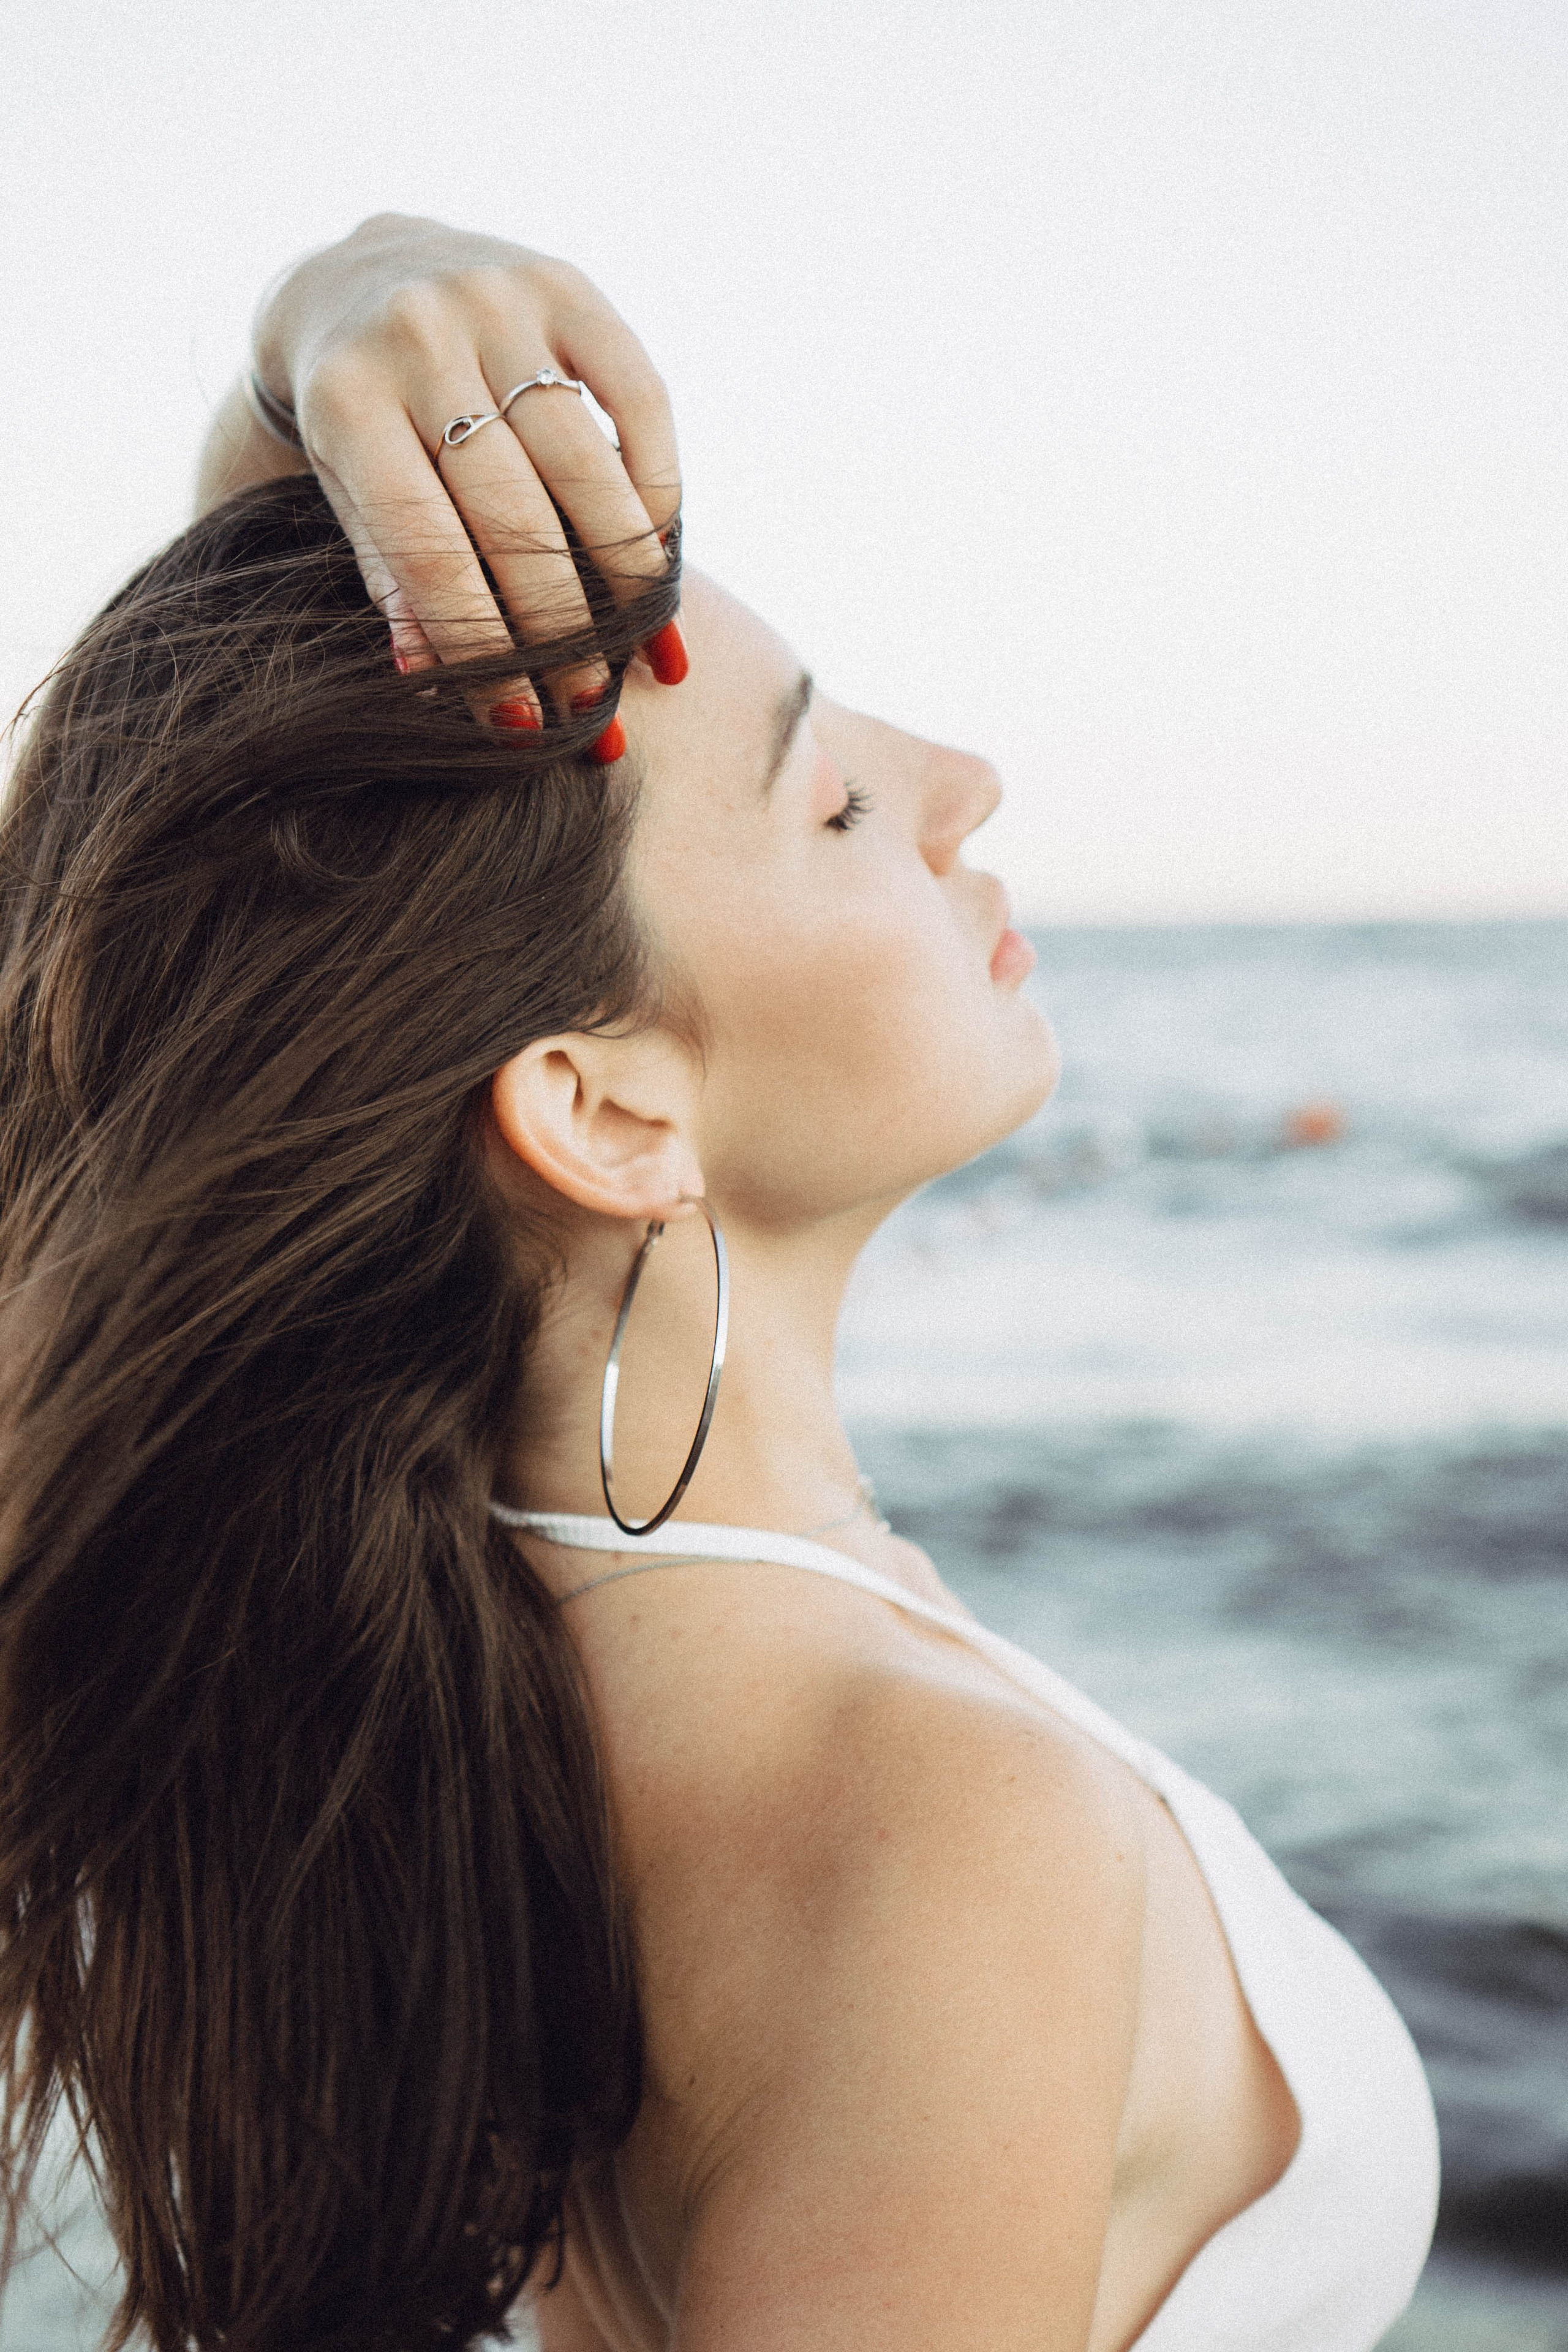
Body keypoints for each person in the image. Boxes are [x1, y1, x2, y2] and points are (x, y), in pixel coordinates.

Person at [0, 216, 1438, 2352]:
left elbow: (242, 891)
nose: (961, 786)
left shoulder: (471, 1666)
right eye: (839, 797)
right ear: (604, 1113)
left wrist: (325, 341)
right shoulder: (927, 1825)